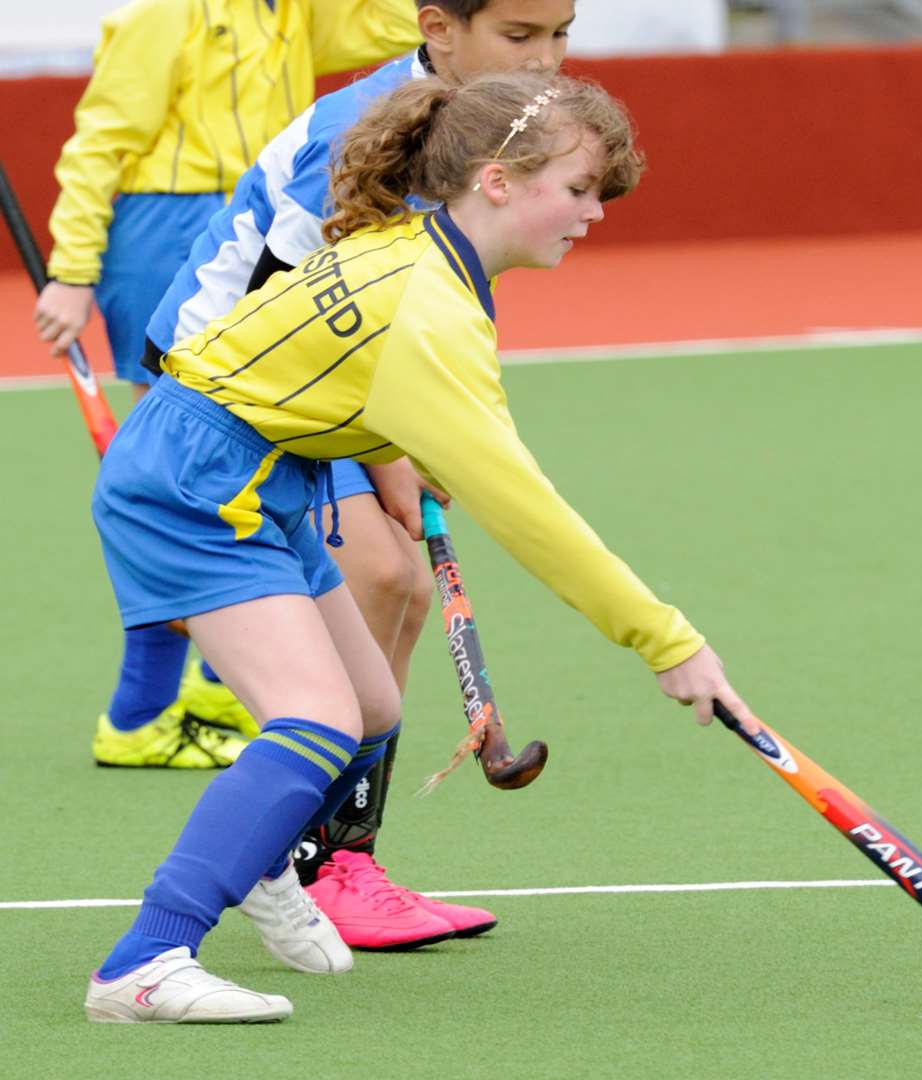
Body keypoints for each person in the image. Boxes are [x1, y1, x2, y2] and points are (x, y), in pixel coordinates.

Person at [84, 70, 757, 1024]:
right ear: (496, 180)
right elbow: (527, 508)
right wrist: (666, 640)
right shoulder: (432, 308)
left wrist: (383, 446)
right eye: (576, 191)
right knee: (312, 721)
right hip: (195, 488)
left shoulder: (415, 249)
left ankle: (266, 860)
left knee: (369, 707)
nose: (594, 215)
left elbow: (300, 355)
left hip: (261, 472)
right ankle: (143, 962)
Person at [144, 0, 577, 952]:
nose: (546, 61)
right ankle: (318, 861)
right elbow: (299, 307)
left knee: (403, 586)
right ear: (438, 26)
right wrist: (390, 450)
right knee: (386, 575)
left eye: (562, 35)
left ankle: (335, 857)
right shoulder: (368, 129)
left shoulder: (490, 123)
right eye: (520, 37)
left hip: (322, 382)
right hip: (228, 375)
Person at [34, 0, 420, 772]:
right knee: (188, 488)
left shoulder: (294, 11)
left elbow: (410, 29)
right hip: (169, 232)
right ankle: (138, 715)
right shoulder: (162, 15)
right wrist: (71, 272)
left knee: (259, 485)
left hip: (267, 215)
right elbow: (98, 147)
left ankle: (215, 699)